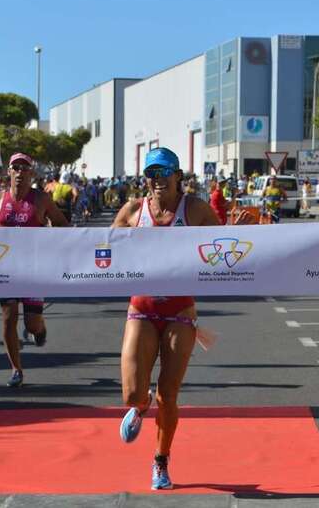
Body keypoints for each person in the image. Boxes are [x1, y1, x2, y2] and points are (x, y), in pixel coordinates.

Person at [112, 147, 253, 491]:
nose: (157, 180)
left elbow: (220, 248)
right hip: (142, 307)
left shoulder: (195, 209)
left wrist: (237, 231)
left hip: (180, 310)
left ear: (178, 175)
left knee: (169, 394)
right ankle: (140, 406)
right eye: (151, 174)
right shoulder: (133, 209)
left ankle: (160, 461)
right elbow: (104, 247)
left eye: (164, 173)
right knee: (133, 394)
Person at [0, 152, 69, 387]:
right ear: (8, 171)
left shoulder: (41, 200)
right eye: (15, 168)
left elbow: (62, 224)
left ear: (32, 173)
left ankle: (40, 329)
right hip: (6, 268)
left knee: (31, 323)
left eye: (24, 168)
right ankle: (16, 369)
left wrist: (52, 240)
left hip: (33, 269)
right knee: (8, 317)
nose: (20, 172)